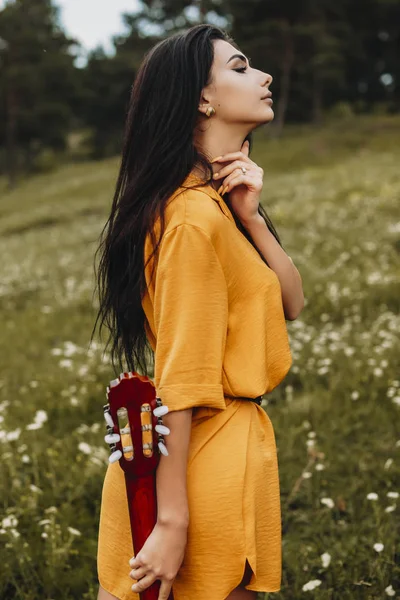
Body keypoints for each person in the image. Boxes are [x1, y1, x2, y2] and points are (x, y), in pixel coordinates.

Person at [94, 23, 304, 600]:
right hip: (194, 469)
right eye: (239, 67)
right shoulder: (189, 218)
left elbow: (293, 302)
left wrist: (253, 219)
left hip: (224, 451)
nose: (261, 76)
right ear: (202, 99)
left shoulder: (214, 205)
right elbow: (182, 377)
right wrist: (170, 521)